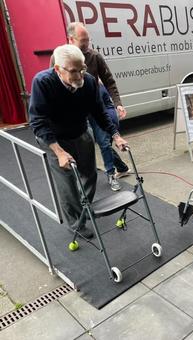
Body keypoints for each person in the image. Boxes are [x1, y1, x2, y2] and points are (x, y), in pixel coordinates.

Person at [29, 44, 128, 239]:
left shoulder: (89, 82)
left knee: (89, 174)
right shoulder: (43, 82)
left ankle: (85, 207)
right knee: (67, 184)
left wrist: (116, 136)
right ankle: (77, 223)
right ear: (58, 69)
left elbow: (100, 113)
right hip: (54, 138)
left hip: (80, 131)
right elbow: (37, 121)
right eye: (74, 71)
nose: (80, 75)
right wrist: (59, 153)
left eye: (82, 69)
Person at [66, 22, 132, 181]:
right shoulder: (62, 57)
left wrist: (118, 103)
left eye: (88, 40)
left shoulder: (94, 56)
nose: (87, 44)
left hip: (95, 107)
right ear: (71, 40)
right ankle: (120, 167)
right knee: (86, 145)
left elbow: (109, 81)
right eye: (83, 41)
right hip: (76, 112)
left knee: (103, 141)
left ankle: (111, 175)